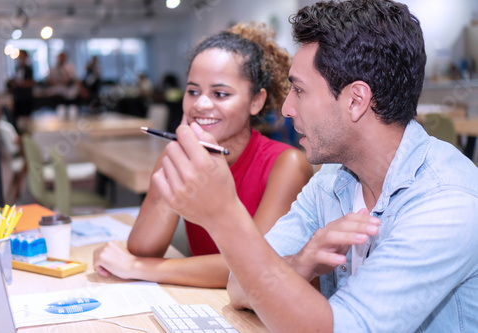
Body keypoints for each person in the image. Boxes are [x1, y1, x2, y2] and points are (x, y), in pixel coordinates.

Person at [150, 0, 478, 332]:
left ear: (355, 100)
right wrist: (302, 262)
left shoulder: (449, 204)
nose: (288, 108)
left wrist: (224, 216)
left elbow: (343, 328)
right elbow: (239, 287)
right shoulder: (333, 180)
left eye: (299, 90)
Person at [93, 22, 313, 288]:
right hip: (207, 302)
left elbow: (256, 267)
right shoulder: (176, 156)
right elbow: (143, 248)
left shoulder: (286, 164)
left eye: (220, 93)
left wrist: (136, 267)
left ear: (256, 101)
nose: (200, 104)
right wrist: (177, 185)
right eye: (193, 91)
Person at [8, 50, 34, 131]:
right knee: (18, 119)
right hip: (18, 97)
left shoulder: (28, 69)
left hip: (26, 97)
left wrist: (20, 84)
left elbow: (30, 82)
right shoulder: (18, 68)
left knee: (26, 119)